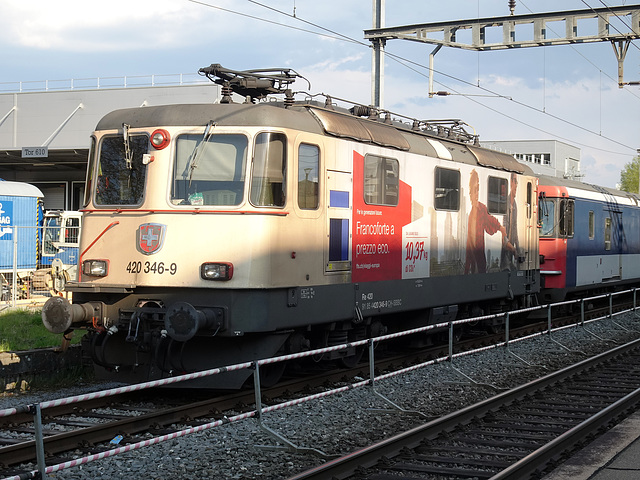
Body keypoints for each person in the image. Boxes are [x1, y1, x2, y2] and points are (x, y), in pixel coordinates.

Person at [464, 169, 513, 274]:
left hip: (479, 262)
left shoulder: (481, 209)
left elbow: (493, 223)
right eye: (473, 190)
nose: (476, 194)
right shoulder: (471, 214)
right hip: (473, 263)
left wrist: (503, 233)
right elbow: (469, 245)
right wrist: (466, 269)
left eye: (477, 189)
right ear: (470, 193)